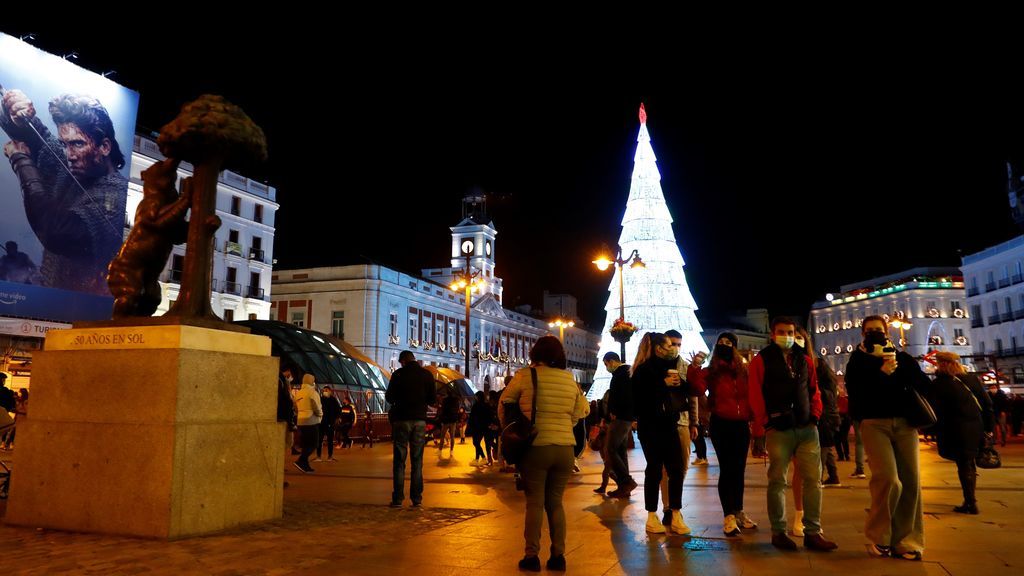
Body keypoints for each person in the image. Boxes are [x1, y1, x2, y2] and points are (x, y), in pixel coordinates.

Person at [1, 90, 128, 294]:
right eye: (64, 144)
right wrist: (20, 115)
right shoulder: (77, 171)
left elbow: (55, 231)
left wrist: (20, 161)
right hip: (52, 299)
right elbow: (42, 145)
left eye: (78, 144)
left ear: (104, 147)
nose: (69, 155)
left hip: (84, 312)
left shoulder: (115, 194)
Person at [499, 335, 589, 572]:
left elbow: (504, 403)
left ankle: (531, 557)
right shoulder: (570, 380)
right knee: (556, 504)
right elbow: (580, 412)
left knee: (535, 503)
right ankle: (558, 556)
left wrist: (513, 430)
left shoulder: (524, 376)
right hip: (564, 449)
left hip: (536, 448)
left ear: (534, 354)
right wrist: (563, 426)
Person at [749, 317, 837, 552]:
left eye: (790, 332)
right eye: (781, 332)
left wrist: (815, 415)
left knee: (813, 480)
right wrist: (765, 423)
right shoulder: (761, 360)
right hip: (778, 428)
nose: (786, 336)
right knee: (777, 480)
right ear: (772, 334)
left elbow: (813, 389)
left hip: (807, 428)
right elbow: (755, 393)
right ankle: (779, 531)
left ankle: (813, 532)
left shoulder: (804, 359)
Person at [845, 315, 928, 561]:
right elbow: (856, 394)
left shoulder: (900, 357)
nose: (874, 333)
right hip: (874, 423)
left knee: (911, 482)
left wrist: (901, 369)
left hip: (905, 424)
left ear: (887, 332)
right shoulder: (857, 361)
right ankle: (878, 536)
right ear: (863, 334)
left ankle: (907, 540)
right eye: (869, 330)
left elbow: (922, 384)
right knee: (888, 479)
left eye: (878, 330)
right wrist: (880, 374)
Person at [688, 332, 757, 537]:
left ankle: (738, 511)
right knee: (727, 469)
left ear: (734, 347)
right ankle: (728, 515)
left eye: (729, 343)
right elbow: (698, 389)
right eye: (721, 342)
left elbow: (752, 394)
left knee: (739, 470)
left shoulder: (744, 370)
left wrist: (754, 420)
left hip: (741, 425)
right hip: (721, 424)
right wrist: (695, 367)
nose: (725, 345)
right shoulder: (712, 371)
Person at [631, 332, 691, 535]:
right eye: (668, 345)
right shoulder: (643, 370)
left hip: (670, 424)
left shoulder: (671, 367)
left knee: (676, 470)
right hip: (650, 427)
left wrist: (681, 383)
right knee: (654, 469)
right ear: (658, 348)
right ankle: (651, 515)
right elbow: (640, 401)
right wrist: (661, 386)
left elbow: (686, 392)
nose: (673, 348)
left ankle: (676, 513)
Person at [932, 352, 993, 515]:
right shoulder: (971, 379)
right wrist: (989, 428)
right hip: (975, 428)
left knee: (964, 465)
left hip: (954, 429)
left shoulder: (940, 383)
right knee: (969, 463)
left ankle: (970, 502)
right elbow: (987, 404)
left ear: (941, 364)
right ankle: (970, 500)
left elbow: (935, 409)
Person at [386, 350, 435, 508]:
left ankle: (398, 498)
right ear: (413, 359)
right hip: (419, 420)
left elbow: (389, 397)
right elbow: (432, 399)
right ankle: (417, 498)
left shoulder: (398, 375)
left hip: (401, 420)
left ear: (403, 361)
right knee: (417, 460)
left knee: (399, 460)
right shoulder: (426, 375)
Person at [601, 351, 638, 498]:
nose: (606, 367)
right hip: (626, 417)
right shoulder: (628, 372)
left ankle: (626, 481)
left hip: (621, 418)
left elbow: (622, 396)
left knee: (610, 449)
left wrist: (614, 411)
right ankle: (624, 488)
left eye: (606, 364)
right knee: (621, 451)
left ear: (611, 361)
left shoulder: (621, 374)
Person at [292, 374, 322, 473]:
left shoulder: (298, 393)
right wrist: (320, 415)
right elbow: (316, 407)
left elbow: (295, 407)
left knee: (305, 444)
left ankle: (305, 464)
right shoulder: (312, 393)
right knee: (314, 443)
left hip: (300, 421)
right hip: (311, 421)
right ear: (311, 381)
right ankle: (301, 460)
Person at [315, 385, 341, 462]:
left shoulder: (333, 400)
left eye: (326, 390)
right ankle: (318, 456)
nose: (325, 391)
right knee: (319, 440)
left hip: (330, 423)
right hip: (321, 423)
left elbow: (338, 410)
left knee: (330, 440)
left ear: (330, 391)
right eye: (324, 390)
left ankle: (330, 456)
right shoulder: (320, 399)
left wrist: (337, 418)